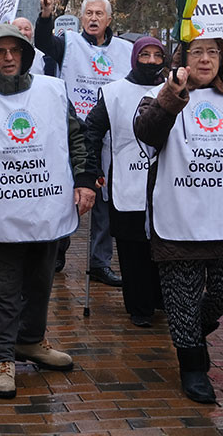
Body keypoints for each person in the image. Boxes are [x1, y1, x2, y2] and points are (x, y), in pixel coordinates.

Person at [0, 23, 95, 399]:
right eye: (1, 51)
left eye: (16, 50)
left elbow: (75, 136)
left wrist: (83, 179)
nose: (9, 57)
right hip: (2, 209)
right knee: (4, 288)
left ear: (28, 54)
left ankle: (30, 340)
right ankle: (2, 356)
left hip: (46, 205)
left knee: (40, 281)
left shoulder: (52, 89)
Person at [133, 37, 223, 403]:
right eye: (197, 52)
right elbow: (147, 133)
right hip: (178, 219)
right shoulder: (160, 93)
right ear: (182, 58)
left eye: (213, 52)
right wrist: (172, 95)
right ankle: (193, 367)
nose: (205, 59)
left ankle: (190, 330)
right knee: (181, 297)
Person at [36, 0, 131, 286]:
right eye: (88, 13)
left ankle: (99, 262)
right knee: (68, 195)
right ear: (81, 18)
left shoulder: (126, 50)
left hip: (110, 135)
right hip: (74, 132)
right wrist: (46, 15)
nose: (93, 18)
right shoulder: (69, 44)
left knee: (102, 201)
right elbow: (43, 43)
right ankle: (58, 251)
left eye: (98, 13)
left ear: (109, 19)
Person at [84, 37, 167, 328]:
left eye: (158, 55)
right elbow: (91, 131)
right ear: (134, 58)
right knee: (133, 249)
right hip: (127, 179)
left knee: (162, 245)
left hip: (165, 183)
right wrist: (92, 169)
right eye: (145, 54)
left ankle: (161, 298)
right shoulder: (114, 92)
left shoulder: (172, 89)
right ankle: (139, 305)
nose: (152, 61)